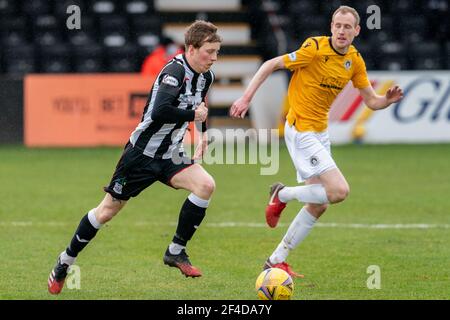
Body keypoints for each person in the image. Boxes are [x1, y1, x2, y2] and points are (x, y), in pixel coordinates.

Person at [48, 20, 222, 294]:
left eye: (216, 52)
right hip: (140, 155)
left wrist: (202, 135)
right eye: (209, 52)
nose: (214, 58)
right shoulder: (173, 72)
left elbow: (199, 108)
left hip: (170, 153)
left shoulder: (206, 76)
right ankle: (65, 261)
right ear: (191, 48)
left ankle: (175, 251)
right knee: (106, 212)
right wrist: (194, 117)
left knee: (206, 185)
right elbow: (160, 111)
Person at [230, 6, 403, 277]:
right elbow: (270, 64)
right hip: (301, 129)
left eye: (348, 27)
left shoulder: (354, 61)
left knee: (319, 204)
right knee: (339, 191)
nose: (342, 31)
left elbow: (370, 99)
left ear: (357, 31)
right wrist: (246, 98)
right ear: (331, 26)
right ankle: (282, 194)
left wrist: (386, 101)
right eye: (337, 25)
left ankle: (276, 259)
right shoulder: (314, 48)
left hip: (319, 132)